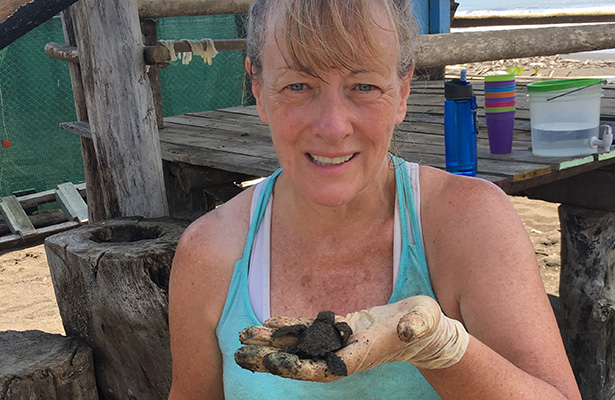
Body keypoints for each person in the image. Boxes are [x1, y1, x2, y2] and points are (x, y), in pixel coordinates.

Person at [167, 0, 582, 399]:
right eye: (298, 85)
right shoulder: (210, 252)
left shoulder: (467, 223)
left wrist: (440, 349)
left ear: (402, 92)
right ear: (257, 89)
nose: (332, 127)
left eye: (363, 86)